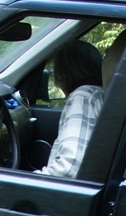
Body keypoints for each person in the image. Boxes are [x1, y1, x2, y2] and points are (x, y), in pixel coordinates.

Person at [38, 40, 104, 179]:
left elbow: (68, 168)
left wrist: (23, 182)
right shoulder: (100, 94)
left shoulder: (83, 97)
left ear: (63, 75)